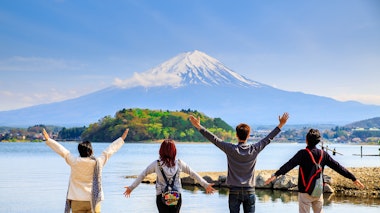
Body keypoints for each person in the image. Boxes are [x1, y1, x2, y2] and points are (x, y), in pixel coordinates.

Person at [189, 112, 289, 213]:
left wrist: (198, 126)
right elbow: (268, 138)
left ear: (236, 135)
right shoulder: (254, 149)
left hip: (234, 191)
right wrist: (280, 125)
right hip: (249, 191)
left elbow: (214, 139)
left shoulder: (230, 149)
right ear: (248, 135)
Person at [264, 128, 365, 213]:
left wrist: (275, 175)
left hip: (304, 192)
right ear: (318, 141)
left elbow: (288, 165)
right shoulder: (323, 154)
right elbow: (338, 167)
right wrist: (353, 178)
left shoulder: (302, 153)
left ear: (306, 140)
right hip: (318, 191)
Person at [42, 128, 129, 213]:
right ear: (91, 151)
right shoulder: (97, 162)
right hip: (93, 200)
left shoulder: (74, 161)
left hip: (77, 199)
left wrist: (49, 140)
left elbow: (63, 152)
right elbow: (109, 151)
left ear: (80, 152)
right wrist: (121, 139)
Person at [123, 139, 215, 213]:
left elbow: (143, 174)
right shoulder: (179, 163)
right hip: (176, 196)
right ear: (174, 150)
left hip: (161, 196)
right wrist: (205, 185)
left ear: (161, 150)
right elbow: (193, 173)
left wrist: (131, 188)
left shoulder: (157, 164)